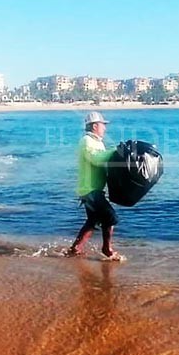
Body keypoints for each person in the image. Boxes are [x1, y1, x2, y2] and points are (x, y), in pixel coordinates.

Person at [66, 111, 123, 260]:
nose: (105, 128)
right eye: (103, 125)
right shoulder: (86, 141)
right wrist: (114, 152)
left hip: (93, 189)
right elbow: (96, 159)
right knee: (111, 217)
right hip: (90, 189)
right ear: (95, 126)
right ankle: (107, 249)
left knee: (92, 221)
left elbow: (103, 162)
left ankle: (75, 249)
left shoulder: (97, 142)